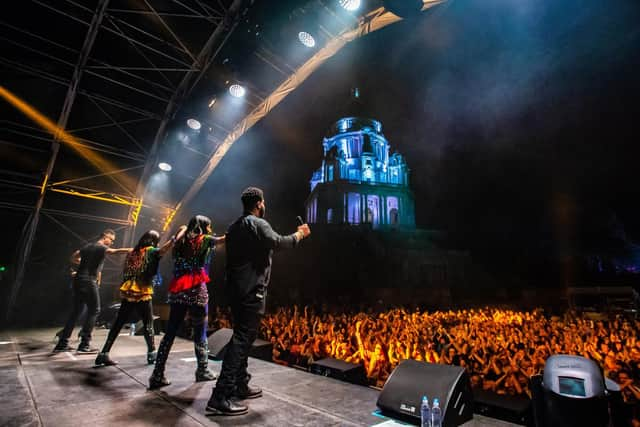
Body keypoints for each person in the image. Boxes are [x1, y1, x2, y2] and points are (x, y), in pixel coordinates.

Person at [206, 187, 311, 416]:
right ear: (259, 203)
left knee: (243, 335)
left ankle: (240, 384)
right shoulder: (257, 223)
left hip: (235, 289)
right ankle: (220, 395)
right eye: (264, 203)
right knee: (243, 338)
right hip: (251, 289)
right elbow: (279, 242)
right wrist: (300, 234)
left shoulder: (234, 227)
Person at [149, 215, 225, 389]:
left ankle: (157, 374)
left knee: (170, 333)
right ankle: (202, 370)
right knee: (200, 331)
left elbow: (177, 238)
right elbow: (221, 240)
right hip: (196, 289)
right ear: (203, 227)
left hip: (178, 290)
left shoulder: (179, 243)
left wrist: (184, 229)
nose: (210, 229)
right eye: (209, 226)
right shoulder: (204, 239)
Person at [94, 227, 186, 367]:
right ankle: (152, 354)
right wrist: (181, 231)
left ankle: (104, 353)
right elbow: (171, 243)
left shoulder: (133, 252)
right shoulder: (152, 251)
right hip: (142, 290)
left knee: (118, 323)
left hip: (129, 290)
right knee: (148, 323)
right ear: (154, 241)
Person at [53, 229, 131, 353]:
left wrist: (83, 264)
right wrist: (133, 250)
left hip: (78, 280)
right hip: (89, 281)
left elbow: (73, 257)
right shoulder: (101, 247)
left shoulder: (87, 247)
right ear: (105, 236)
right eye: (111, 240)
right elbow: (115, 252)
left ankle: (62, 343)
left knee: (75, 312)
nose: (111, 243)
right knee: (95, 310)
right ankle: (84, 344)